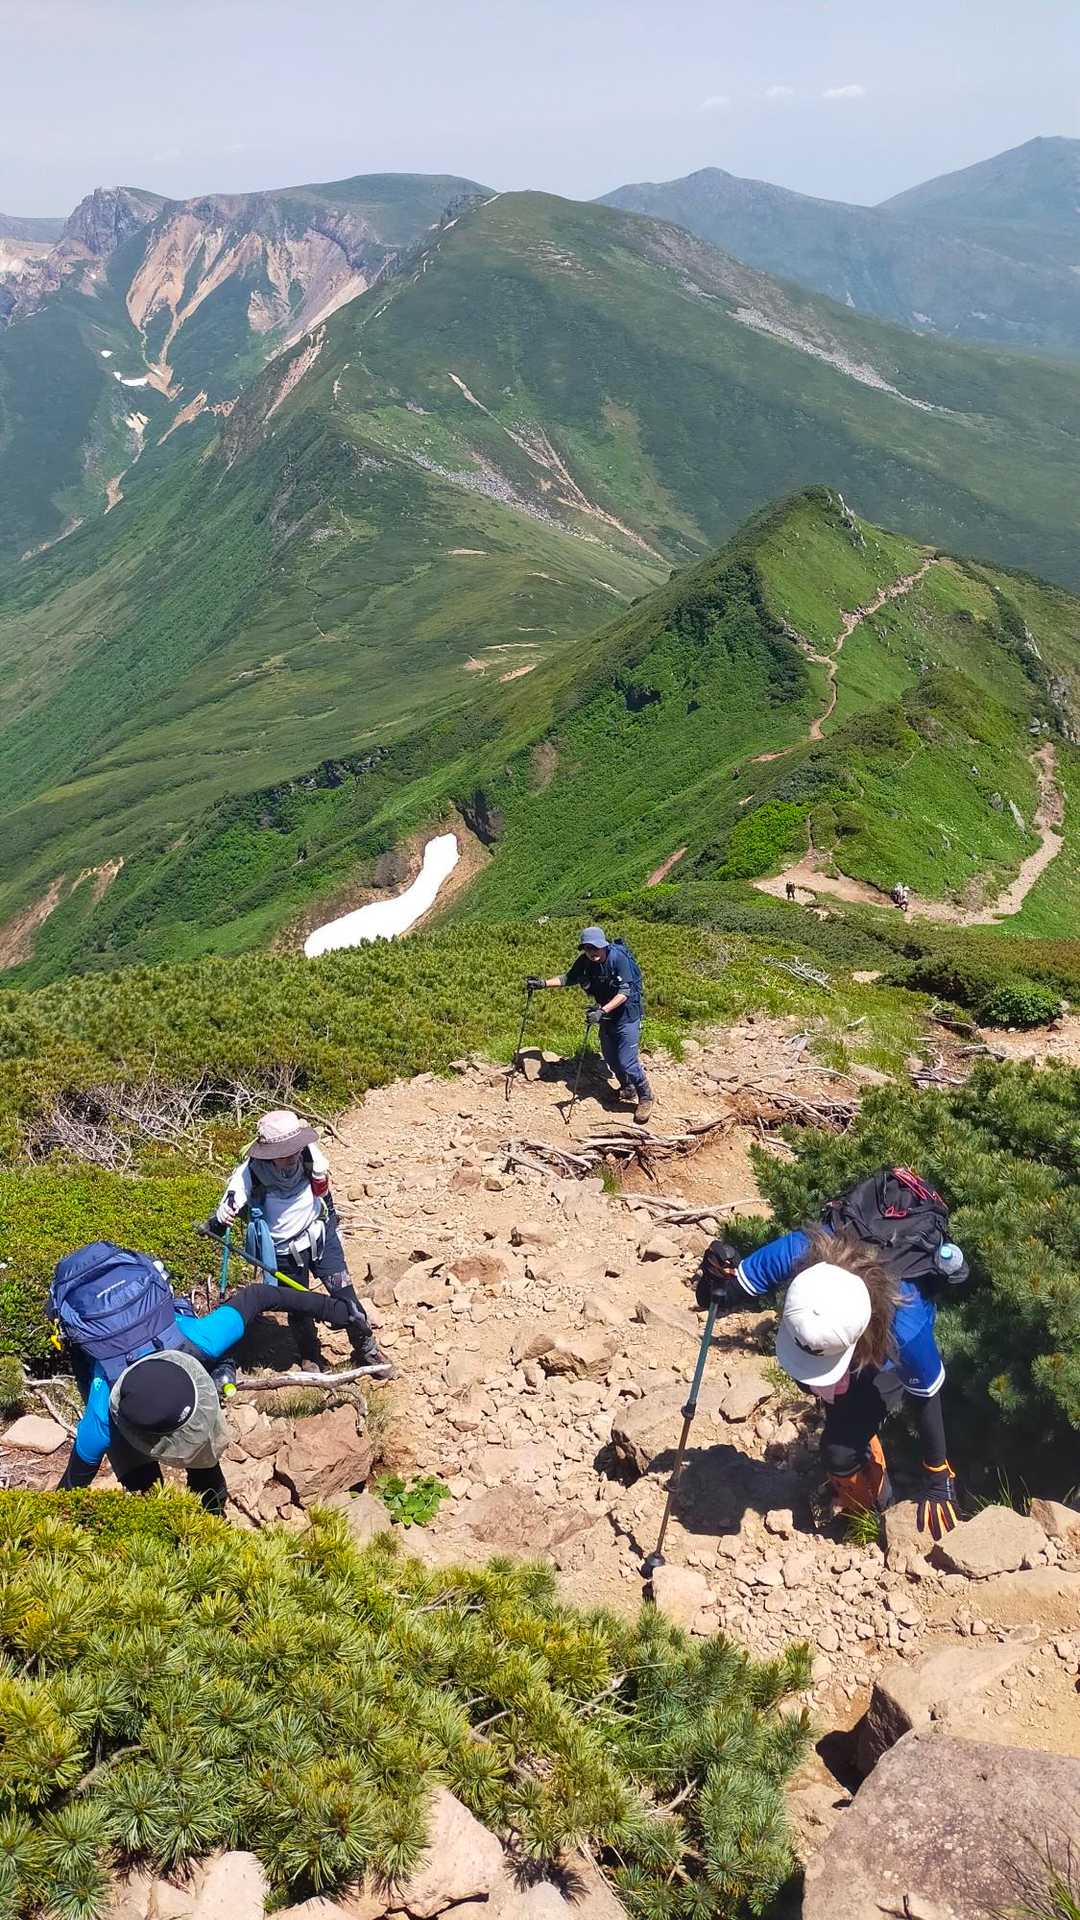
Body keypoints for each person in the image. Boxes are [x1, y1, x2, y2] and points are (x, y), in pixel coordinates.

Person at [698, 1168, 969, 1541]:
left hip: (881, 1354)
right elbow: (720, 1296)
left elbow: (926, 1397)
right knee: (832, 1403)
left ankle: (871, 1514)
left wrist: (938, 1474)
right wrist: (712, 1276)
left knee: (839, 1452)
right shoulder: (798, 1251)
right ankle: (858, 1452)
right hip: (853, 1339)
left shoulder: (905, 1329)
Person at [53, 1243, 360, 1510]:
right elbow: (257, 1296)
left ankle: (206, 1514)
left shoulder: (200, 1340)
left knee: (196, 1451)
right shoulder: (103, 1415)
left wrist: (334, 1308)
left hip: (147, 1346)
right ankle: (177, 1508)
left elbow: (258, 1295)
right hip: (108, 1364)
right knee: (145, 1481)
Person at [210, 1109, 390, 1374]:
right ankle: (310, 1356)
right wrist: (222, 1215)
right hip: (283, 1254)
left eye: (295, 1149)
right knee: (299, 1307)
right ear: (269, 1154)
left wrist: (333, 1226)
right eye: (285, 1153)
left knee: (346, 1297)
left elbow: (325, 1195)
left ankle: (367, 1349)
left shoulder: (309, 1154)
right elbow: (230, 1202)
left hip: (321, 1239)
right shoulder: (250, 1173)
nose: (293, 1156)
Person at [527, 927, 654, 1123]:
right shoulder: (585, 961)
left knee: (627, 1061)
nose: (592, 951)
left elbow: (624, 992)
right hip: (606, 1015)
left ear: (604, 946)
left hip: (627, 1015)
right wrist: (543, 984)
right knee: (611, 1059)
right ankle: (627, 1088)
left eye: (596, 947)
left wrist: (602, 1011)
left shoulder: (618, 959)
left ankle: (645, 1096)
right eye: (588, 948)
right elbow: (569, 978)